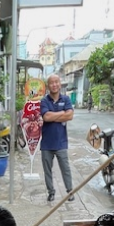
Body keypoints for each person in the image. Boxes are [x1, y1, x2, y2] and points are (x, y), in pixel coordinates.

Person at [40, 74, 75, 203]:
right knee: (47, 171)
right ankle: (51, 192)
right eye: (51, 83)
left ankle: (70, 192)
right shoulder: (44, 101)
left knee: (65, 168)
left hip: (61, 142)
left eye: (56, 82)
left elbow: (70, 116)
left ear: (60, 84)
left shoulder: (66, 99)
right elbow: (46, 117)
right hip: (46, 144)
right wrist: (62, 113)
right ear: (48, 86)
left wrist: (54, 115)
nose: (54, 85)